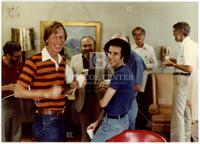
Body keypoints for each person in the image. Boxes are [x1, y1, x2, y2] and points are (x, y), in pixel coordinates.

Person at [14, 21, 72, 142]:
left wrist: (71, 86)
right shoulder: (33, 61)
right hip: (45, 118)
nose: (59, 41)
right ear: (46, 39)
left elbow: (59, 89)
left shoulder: (63, 61)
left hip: (61, 116)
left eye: (62, 37)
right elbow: (18, 91)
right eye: (55, 37)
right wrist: (45, 93)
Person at [87, 38, 136, 142]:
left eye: (115, 54)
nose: (110, 56)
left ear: (123, 56)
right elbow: (111, 104)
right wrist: (97, 122)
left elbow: (103, 104)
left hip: (113, 124)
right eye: (109, 52)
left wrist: (99, 90)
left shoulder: (119, 75)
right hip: (121, 121)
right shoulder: (127, 71)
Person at [70, 36, 112, 142]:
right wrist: (76, 79)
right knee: (84, 130)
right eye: (85, 46)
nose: (87, 48)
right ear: (81, 47)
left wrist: (106, 83)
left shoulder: (102, 58)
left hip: (98, 99)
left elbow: (111, 76)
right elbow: (70, 78)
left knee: (98, 129)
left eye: (90, 45)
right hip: (82, 99)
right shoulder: (75, 59)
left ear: (94, 46)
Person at [163, 22, 198, 142]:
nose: (173, 34)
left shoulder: (187, 46)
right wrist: (173, 60)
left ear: (180, 32)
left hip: (182, 80)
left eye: (174, 31)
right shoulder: (192, 45)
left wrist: (172, 64)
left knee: (178, 114)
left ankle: (178, 141)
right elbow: (187, 63)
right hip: (189, 81)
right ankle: (186, 140)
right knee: (186, 113)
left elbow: (189, 68)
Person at [110, 33, 145, 130]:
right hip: (115, 101)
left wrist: (113, 86)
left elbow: (138, 86)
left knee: (128, 132)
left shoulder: (136, 60)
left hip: (128, 104)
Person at [131, 26, 157, 129]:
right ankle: (134, 127)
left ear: (144, 36)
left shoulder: (149, 48)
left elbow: (155, 64)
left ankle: (142, 128)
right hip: (133, 81)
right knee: (134, 104)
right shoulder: (130, 49)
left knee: (144, 105)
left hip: (146, 81)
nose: (138, 36)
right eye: (135, 34)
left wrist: (145, 65)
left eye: (140, 34)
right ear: (133, 36)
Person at [2, 41, 23, 142]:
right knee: (3, 134)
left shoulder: (19, 64)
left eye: (20, 56)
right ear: (7, 55)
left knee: (16, 133)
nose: (19, 59)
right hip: (3, 103)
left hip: (17, 101)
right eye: (16, 57)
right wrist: (7, 87)